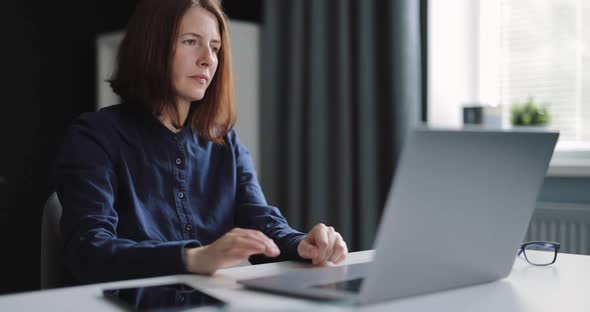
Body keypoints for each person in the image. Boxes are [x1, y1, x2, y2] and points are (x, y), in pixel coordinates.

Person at [55, 0, 347, 285]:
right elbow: (87, 250)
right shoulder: (94, 136)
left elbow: (261, 221)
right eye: (191, 41)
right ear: (151, 46)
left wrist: (302, 244)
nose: (208, 59)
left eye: (215, 47)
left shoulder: (225, 142)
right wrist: (192, 258)